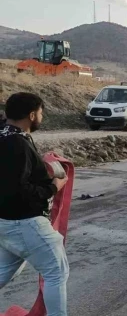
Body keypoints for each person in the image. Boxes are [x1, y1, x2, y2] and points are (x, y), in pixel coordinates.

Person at [0, 92, 70, 316]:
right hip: (24, 222)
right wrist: (53, 187)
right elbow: (17, 189)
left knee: (1, 272)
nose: (41, 116)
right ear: (32, 115)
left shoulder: (6, 135)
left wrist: (43, 163)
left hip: (6, 221)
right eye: (40, 113)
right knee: (56, 273)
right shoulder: (16, 144)